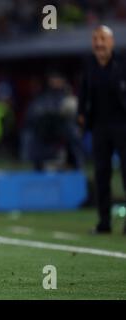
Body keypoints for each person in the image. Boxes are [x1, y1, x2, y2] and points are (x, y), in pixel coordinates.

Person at [78, 25, 126, 235]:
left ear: (111, 42)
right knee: (101, 174)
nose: (99, 43)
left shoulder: (122, 64)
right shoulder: (89, 66)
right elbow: (83, 92)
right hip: (99, 127)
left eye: (103, 39)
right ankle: (104, 222)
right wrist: (81, 114)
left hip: (122, 125)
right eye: (96, 39)